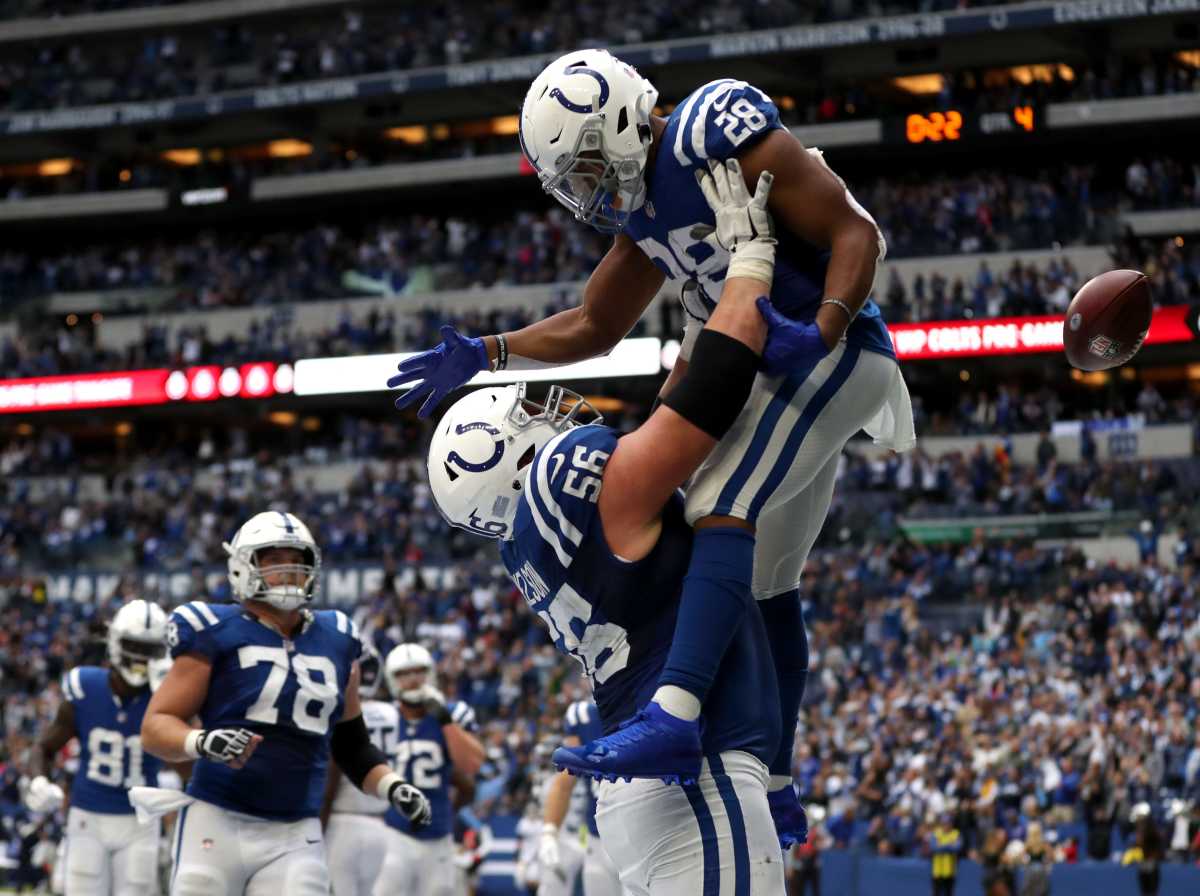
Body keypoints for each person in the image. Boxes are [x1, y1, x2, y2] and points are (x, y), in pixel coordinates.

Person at [388, 48, 913, 829]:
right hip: (775, 370)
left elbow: (855, 231)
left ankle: (674, 712)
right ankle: (773, 778)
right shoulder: (640, 206)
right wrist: (490, 353)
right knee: (767, 583)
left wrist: (827, 323)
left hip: (831, 352)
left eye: (591, 167)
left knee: (714, 504)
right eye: (575, 182)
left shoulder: (712, 131)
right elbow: (597, 324)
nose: (590, 194)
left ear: (628, 117)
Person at [418, 158, 794, 892]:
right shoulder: (570, 483)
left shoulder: (530, 544)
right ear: (509, 455)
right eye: (527, 415)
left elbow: (666, 412)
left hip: (650, 788)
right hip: (693, 779)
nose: (550, 412)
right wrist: (748, 267)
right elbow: (705, 404)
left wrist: (695, 306)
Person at [139, 511, 432, 896]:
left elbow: (351, 744)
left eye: (297, 560)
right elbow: (155, 725)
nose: (289, 570)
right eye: (273, 559)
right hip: (217, 817)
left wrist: (393, 786)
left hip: (296, 830)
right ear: (244, 565)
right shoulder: (213, 628)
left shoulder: (338, 638)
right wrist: (202, 742)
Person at [25, 599, 169, 896]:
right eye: (134, 645)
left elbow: (189, 757)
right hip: (87, 816)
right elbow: (46, 747)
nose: (141, 656)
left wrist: (174, 699)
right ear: (115, 641)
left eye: (149, 647)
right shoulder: (86, 685)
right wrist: (39, 779)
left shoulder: (167, 696)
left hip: (140, 822)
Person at [375, 643, 485, 896]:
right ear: (392, 679)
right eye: (404, 674)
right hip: (392, 832)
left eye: (419, 671)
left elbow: (472, 764)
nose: (413, 680)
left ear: (431, 673)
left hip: (438, 834)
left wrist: (443, 718)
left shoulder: (454, 713)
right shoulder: (384, 716)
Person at [320, 644, 395, 896]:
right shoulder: (392, 715)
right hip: (380, 825)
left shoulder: (343, 714)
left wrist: (319, 828)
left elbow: (334, 772)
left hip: (343, 822)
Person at [537, 700, 626, 896]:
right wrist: (549, 831)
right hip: (596, 838)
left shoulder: (653, 701)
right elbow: (564, 783)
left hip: (642, 837)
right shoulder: (584, 716)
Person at [929, 813, 960, 896]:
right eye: (944, 823)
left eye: (948, 823)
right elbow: (933, 848)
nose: (946, 825)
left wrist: (942, 845)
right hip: (937, 870)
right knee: (936, 893)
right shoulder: (935, 833)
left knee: (949, 893)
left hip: (950, 871)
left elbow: (957, 848)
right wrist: (949, 845)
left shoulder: (955, 833)